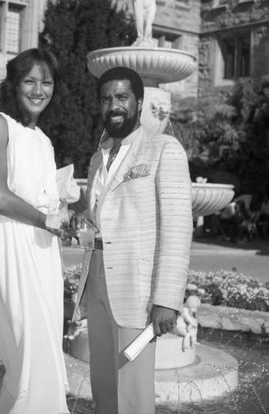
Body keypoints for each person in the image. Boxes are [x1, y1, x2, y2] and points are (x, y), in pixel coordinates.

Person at [72, 66, 193, 414]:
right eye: (106, 98)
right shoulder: (98, 158)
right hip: (97, 281)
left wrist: (167, 299)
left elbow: (177, 229)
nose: (114, 105)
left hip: (137, 291)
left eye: (122, 97)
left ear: (139, 102)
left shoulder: (163, 149)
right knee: (104, 385)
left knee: (134, 392)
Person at [0, 48, 70, 414]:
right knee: (32, 347)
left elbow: (40, 199)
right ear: (13, 85)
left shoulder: (44, 140)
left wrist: (61, 207)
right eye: (29, 80)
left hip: (44, 251)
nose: (38, 90)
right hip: (12, 245)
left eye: (46, 82)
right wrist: (44, 217)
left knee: (40, 347)